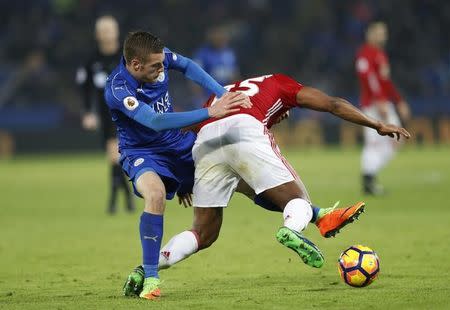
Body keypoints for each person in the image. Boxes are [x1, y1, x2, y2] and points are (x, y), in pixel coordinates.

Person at [122, 74, 410, 295]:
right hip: (245, 130)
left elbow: (188, 132)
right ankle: (293, 228)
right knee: (297, 199)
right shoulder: (281, 83)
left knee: (203, 232)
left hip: (205, 141)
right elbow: (333, 105)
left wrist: (185, 180)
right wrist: (377, 125)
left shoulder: (220, 96)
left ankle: (145, 269)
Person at [103, 30, 250, 300]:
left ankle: (308, 214)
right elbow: (155, 121)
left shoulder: (157, 57)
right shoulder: (118, 89)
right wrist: (210, 111)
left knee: (239, 177)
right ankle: (150, 279)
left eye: (162, 63)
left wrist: (222, 93)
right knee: (155, 194)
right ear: (135, 65)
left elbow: (187, 65)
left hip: (177, 144)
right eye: (155, 67)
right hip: (142, 152)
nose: (162, 70)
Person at [75, 16, 134, 214]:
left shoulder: (127, 57)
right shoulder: (91, 60)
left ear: (117, 32)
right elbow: (84, 90)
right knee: (114, 158)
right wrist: (87, 113)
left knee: (117, 157)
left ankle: (114, 201)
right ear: (97, 34)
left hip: (129, 112)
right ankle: (125, 199)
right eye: (103, 30)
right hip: (106, 113)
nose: (107, 34)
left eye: (110, 30)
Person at [355, 21, 411, 195]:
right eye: (378, 33)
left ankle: (369, 178)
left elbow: (385, 82)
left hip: (382, 102)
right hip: (373, 105)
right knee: (376, 143)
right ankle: (368, 181)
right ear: (369, 35)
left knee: (396, 139)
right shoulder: (365, 54)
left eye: (384, 33)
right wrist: (379, 100)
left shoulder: (379, 54)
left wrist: (399, 100)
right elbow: (370, 79)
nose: (382, 36)